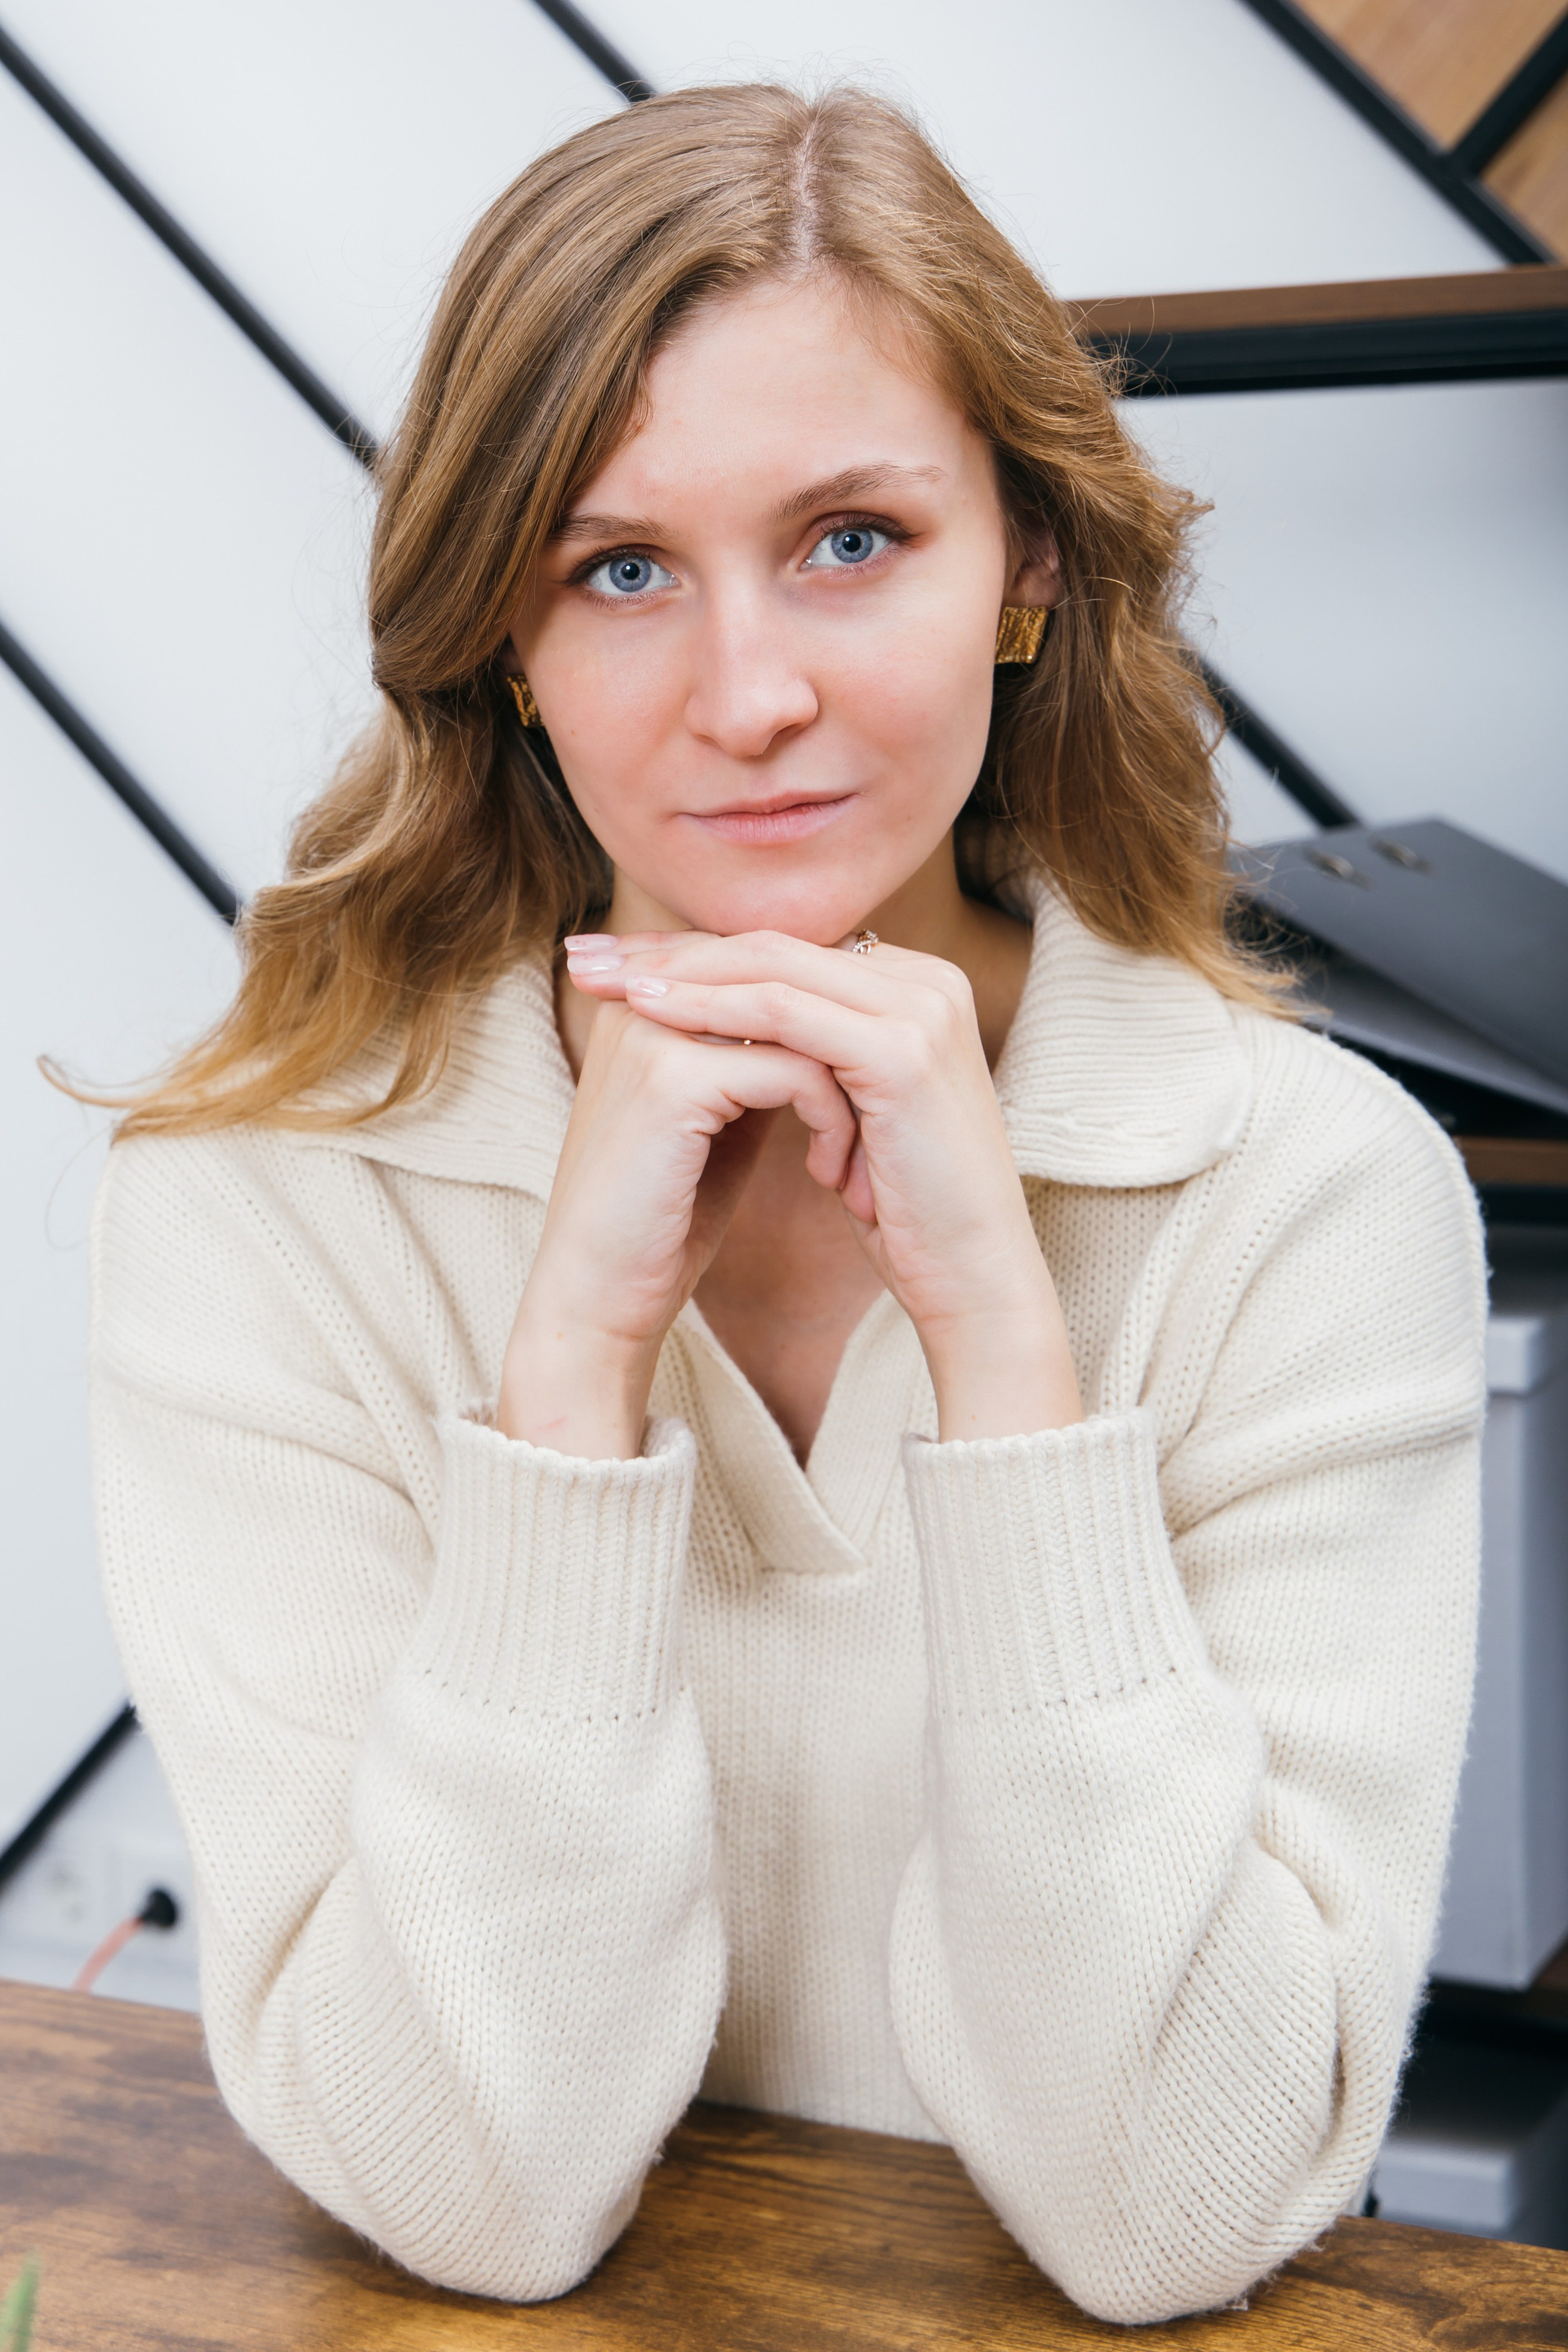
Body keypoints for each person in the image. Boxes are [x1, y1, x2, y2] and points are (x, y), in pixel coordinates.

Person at [86, 83, 1485, 2326]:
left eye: (851, 538)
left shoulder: (1310, 1195)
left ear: (1026, 564)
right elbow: (474, 2195)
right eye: (619, 571)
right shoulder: (260, 1208)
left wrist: (1010, 1359)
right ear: (503, 643)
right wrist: (570, 1381)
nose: (750, 698)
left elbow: (1173, 2214)